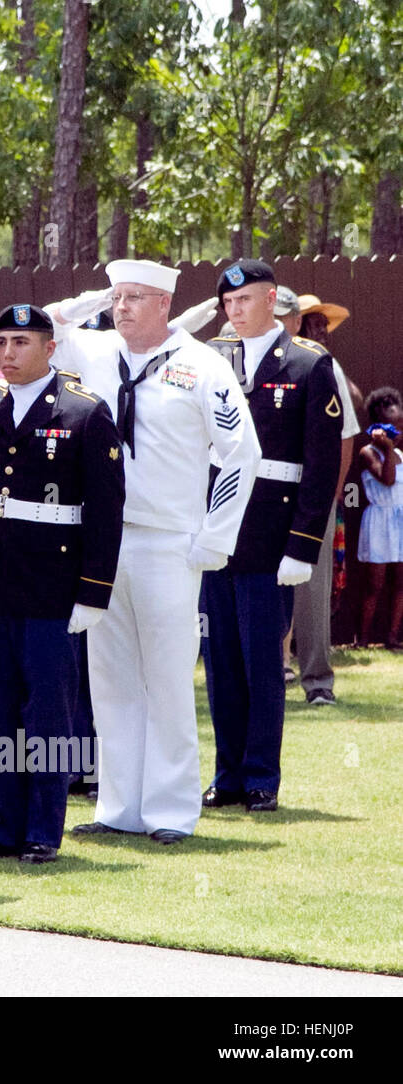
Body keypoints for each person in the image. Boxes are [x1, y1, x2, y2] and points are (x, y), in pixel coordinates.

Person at [48, 259, 260, 843]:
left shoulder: (202, 365)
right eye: (117, 297)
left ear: (165, 303)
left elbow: (242, 453)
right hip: (102, 542)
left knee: (166, 677)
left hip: (170, 542)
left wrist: (213, 538)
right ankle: (119, 807)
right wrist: (83, 304)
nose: (122, 308)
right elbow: (42, 330)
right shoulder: (94, 353)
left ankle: (170, 810)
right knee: (111, 678)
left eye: (134, 298)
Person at [0, 304, 123, 863]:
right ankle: (5, 826)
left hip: (53, 585)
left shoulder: (85, 411)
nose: (7, 353)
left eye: (21, 342)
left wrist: (93, 590)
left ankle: (44, 830)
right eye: (0, 342)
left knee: (48, 711)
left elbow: (105, 510)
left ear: (51, 348)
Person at [201, 261, 340, 814]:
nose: (235, 312)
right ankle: (228, 774)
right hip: (217, 529)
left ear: (273, 300)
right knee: (221, 663)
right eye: (228, 304)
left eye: (245, 301)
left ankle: (260, 777)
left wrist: (302, 544)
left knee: (263, 662)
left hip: (271, 533)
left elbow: (322, 463)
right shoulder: (212, 358)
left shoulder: (309, 364)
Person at [277, 290, 362, 704]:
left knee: (311, 588)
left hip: (311, 494)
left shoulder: (321, 364)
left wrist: (329, 495)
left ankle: (318, 681)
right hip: (261, 496)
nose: (318, 329)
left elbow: (344, 435)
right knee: (261, 584)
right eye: (313, 321)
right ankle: (273, 671)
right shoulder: (246, 359)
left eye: (315, 322)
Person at [357, 387, 403, 646]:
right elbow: (387, 479)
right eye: (392, 428)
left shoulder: (399, 454)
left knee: (400, 582)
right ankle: (362, 637)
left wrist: (393, 448)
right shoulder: (368, 453)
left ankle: (393, 637)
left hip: (400, 521)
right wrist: (384, 446)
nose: (398, 433)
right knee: (374, 584)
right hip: (380, 522)